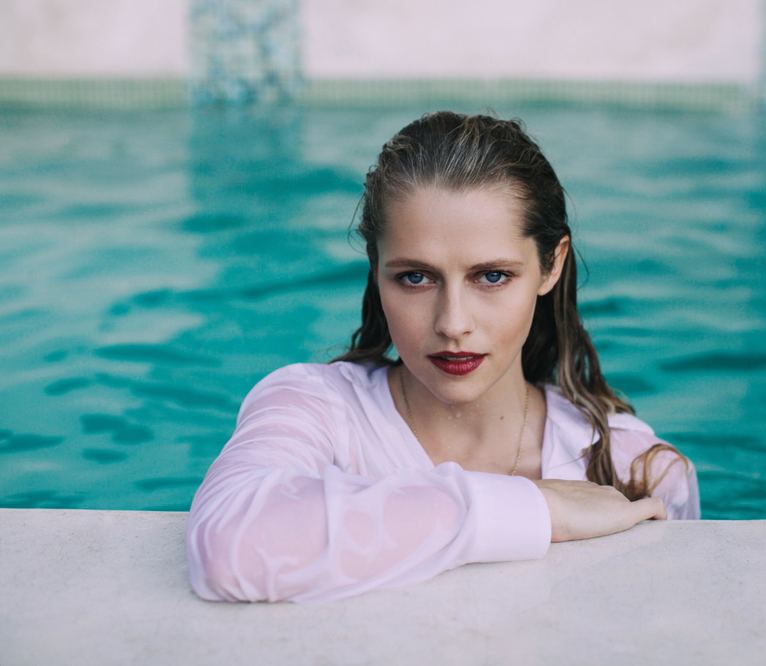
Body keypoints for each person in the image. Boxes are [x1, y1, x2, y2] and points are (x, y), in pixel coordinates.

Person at [185, 110, 700, 604]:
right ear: (376, 268)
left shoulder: (634, 470)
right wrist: (538, 507)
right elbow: (228, 547)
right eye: (416, 277)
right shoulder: (317, 408)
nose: (453, 323)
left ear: (552, 265)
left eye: (492, 276)